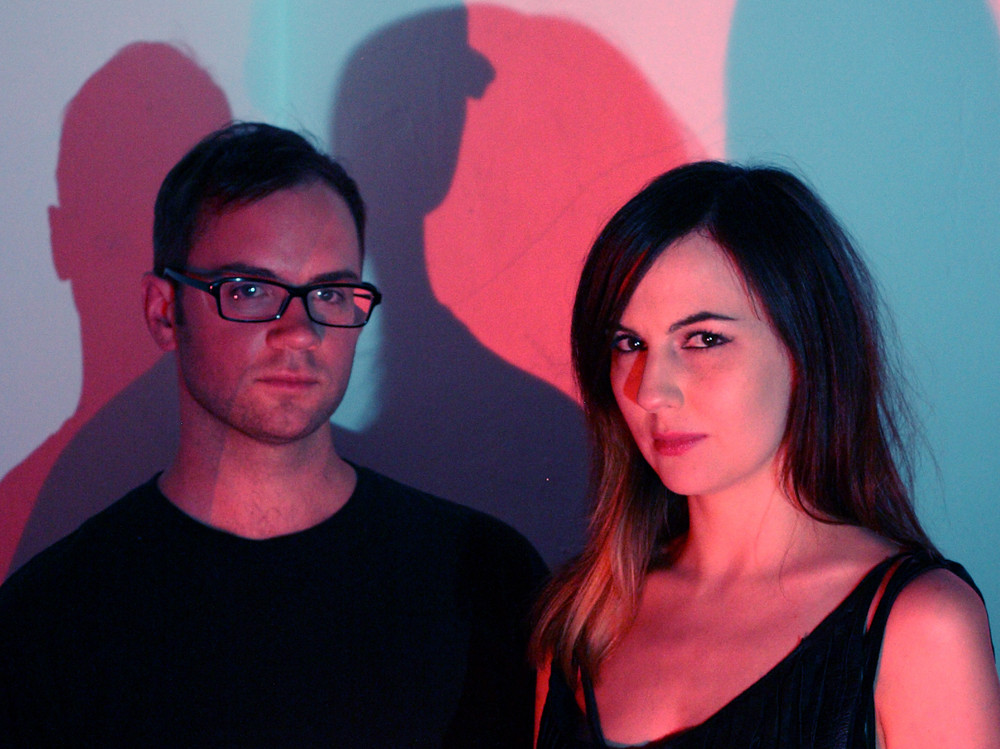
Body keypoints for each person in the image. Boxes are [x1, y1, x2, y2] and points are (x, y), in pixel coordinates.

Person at [0, 122, 546, 747]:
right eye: (250, 290)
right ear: (163, 311)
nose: (301, 331)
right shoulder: (49, 621)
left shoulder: (484, 578)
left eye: (331, 293)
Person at [532, 161, 1000, 748]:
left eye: (704, 339)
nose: (651, 390)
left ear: (806, 350)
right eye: (629, 343)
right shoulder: (584, 620)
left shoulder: (920, 624)